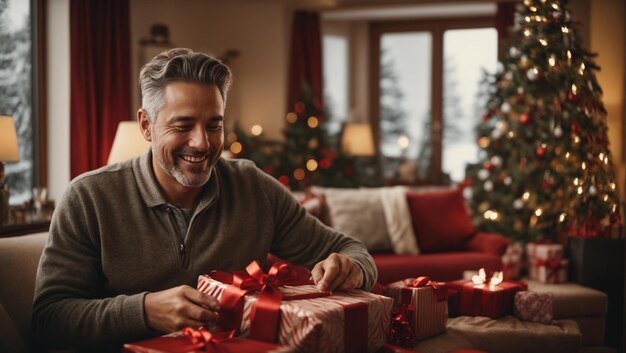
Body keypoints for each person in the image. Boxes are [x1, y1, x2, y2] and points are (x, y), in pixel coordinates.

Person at [32, 48, 377, 352]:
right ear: (146, 126)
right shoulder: (88, 197)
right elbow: (49, 320)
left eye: (214, 125)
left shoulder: (253, 187)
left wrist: (352, 269)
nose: (201, 143)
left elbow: (352, 250)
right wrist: (145, 310)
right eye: (183, 126)